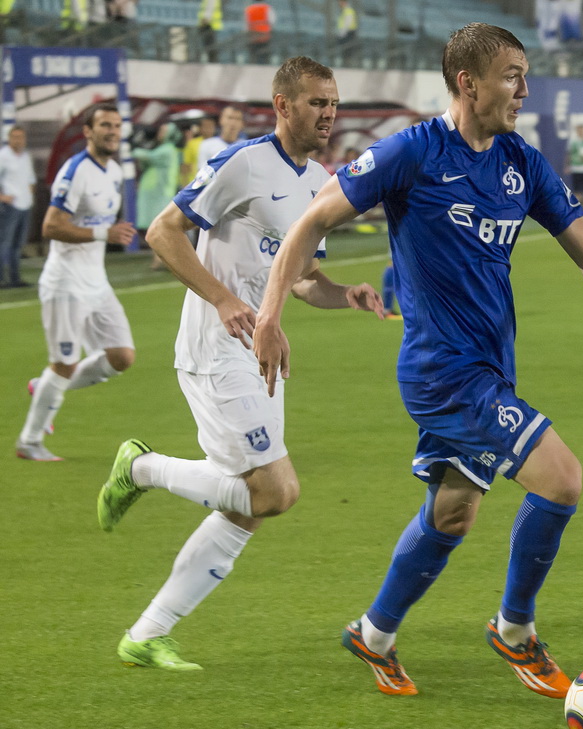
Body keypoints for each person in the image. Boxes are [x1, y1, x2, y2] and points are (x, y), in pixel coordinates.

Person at [253, 23, 583, 698]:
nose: (524, 90)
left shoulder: (520, 163)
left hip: (488, 368)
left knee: (452, 512)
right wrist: (269, 316)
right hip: (443, 373)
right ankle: (514, 632)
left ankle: (373, 633)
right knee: (560, 478)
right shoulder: (411, 153)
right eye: (511, 76)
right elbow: (310, 223)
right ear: (467, 82)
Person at [96, 57, 383, 671]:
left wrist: (344, 294)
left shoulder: (320, 181)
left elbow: (300, 278)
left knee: (246, 507)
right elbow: (163, 232)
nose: (328, 113)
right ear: (282, 105)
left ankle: (146, 635)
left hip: (259, 354)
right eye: (315, 102)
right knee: (274, 492)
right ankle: (141, 468)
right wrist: (223, 298)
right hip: (213, 350)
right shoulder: (243, 163)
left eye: (333, 103)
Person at [16, 103, 137, 462]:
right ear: (88, 131)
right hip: (65, 284)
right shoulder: (75, 170)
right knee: (65, 363)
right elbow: (50, 226)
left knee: (121, 356)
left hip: (96, 282)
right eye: (104, 125)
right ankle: (30, 441)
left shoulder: (114, 171)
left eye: (116, 125)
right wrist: (105, 232)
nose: (112, 131)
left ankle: (45, 388)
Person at [132, 122, 182, 270]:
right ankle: (160, 258)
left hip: (160, 193)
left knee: (160, 226)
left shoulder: (167, 150)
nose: (160, 132)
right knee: (155, 226)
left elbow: (145, 156)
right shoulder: (162, 149)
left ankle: (167, 259)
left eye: (164, 130)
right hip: (154, 193)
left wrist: (132, 145)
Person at [0, 125, 37, 288]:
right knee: (4, 243)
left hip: (25, 206)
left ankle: (15, 279)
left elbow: (31, 179)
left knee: (17, 245)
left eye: (21, 137)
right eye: (15, 137)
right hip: (10, 206)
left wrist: (29, 195)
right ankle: (1, 279)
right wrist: (2, 197)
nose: (18, 140)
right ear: (9, 138)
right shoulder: (3, 156)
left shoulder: (25, 157)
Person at [565, 122, 583, 216]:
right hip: (576, 168)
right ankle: (577, 209)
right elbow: (569, 154)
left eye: (582, 129)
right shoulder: (573, 141)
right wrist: (567, 165)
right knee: (576, 190)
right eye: (578, 129)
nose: (580, 131)